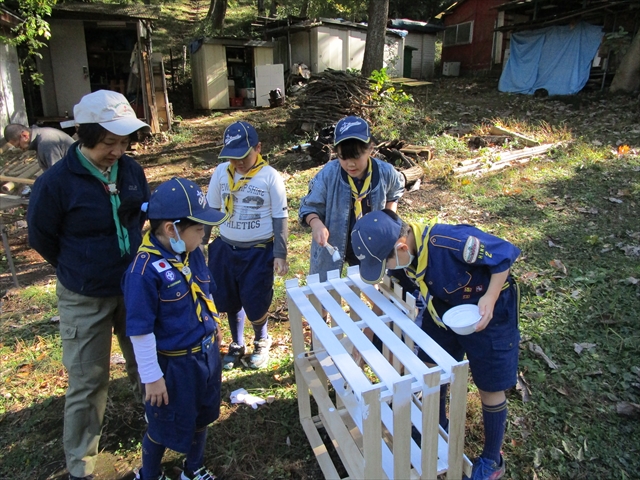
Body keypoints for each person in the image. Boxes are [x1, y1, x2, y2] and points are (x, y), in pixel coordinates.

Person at [27, 90, 150, 480]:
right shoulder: (56, 183)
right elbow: (42, 238)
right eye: (109, 142)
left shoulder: (131, 172)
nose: (118, 150)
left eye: (124, 141)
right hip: (84, 295)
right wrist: (81, 268)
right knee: (87, 379)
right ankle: (81, 464)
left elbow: (139, 217)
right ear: (85, 136)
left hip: (133, 288)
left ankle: (161, 427)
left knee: (146, 363)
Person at [351, 209, 521, 480]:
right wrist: (366, 335)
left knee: (491, 385)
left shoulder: (451, 243)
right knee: (432, 370)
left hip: (489, 314)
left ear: (402, 246)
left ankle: (492, 459)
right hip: (442, 311)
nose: (388, 270)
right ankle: (435, 424)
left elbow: (504, 256)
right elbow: (385, 293)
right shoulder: (404, 258)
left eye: (386, 264)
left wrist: (490, 296)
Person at [123, 177, 226, 480]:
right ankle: (150, 474)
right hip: (174, 366)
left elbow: (205, 291)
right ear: (171, 229)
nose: (204, 234)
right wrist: (152, 378)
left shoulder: (191, 252)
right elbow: (140, 331)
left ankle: (193, 469)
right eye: (199, 228)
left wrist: (214, 327)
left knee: (203, 415)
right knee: (163, 426)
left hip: (205, 356)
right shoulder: (142, 272)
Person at [205, 121, 288, 370]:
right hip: (226, 247)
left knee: (255, 299)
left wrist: (280, 253)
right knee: (229, 298)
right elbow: (212, 209)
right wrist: (200, 243)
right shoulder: (221, 173)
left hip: (258, 250)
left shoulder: (270, 177)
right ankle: (237, 343)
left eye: (244, 156)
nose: (238, 163)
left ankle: (262, 339)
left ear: (258, 147)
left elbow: (279, 217)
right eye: (232, 157)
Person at [298, 115, 404, 283]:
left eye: (356, 156)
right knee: (325, 289)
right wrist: (316, 224)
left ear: (370, 148)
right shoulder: (328, 174)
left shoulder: (386, 172)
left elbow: (395, 192)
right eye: (343, 157)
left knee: (375, 284)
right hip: (333, 242)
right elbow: (309, 207)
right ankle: (325, 310)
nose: (350, 164)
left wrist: (388, 219)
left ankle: (376, 310)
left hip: (371, 242)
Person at [4, 123, 74, 171]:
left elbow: (57, 175)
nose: (20, 148)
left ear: (25, 135)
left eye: (18, 145)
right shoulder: (41, 134)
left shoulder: (46, 143)